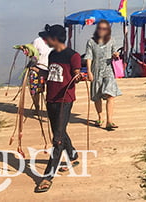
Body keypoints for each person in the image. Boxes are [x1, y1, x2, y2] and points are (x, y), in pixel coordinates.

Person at [35, 24, 82, 193]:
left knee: (57, 139)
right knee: (58, 130)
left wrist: (78, 76)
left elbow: (76, 72)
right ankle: (73, 155)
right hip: (51, 98)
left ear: (55, 39)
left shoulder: (74, 55)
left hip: (65, 100)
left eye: (47, 38)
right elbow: (50, 73)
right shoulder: (52, 54)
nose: (45, 40)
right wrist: (38, 72)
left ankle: (48, 176)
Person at [84, 21, 122, 130]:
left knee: (110, 95)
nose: (102, 30)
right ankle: (100, 117)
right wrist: (89, 72)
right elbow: (89, 57)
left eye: (105, 29)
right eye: (100, 28)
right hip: (96, 70)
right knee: (97, 96)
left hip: (108, 70)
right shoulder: (91, 42)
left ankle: (109, 121)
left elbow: (115, 52)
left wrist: (115, 55)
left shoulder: (111, 40)